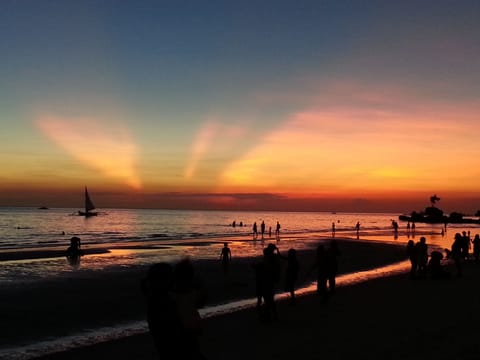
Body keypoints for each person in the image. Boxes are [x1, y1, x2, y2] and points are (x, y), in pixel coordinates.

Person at [141, 262, 186, 360]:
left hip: (162, 347)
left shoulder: (152, 299)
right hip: (172, 348)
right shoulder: (165, 302)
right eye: (171, 277)